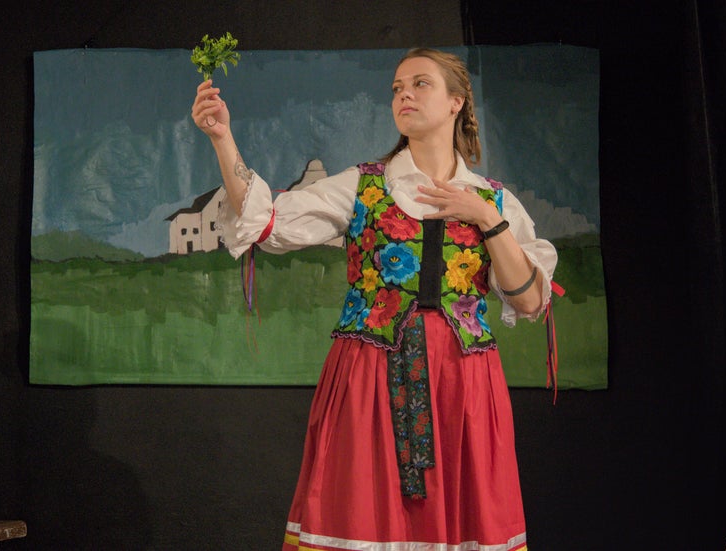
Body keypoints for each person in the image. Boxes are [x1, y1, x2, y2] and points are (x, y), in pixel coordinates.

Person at [192, 47, 557, 551]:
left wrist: (484, 218)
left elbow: (533, 300)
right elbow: (266, 222)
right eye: (396, 87)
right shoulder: (363, 185)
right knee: (361, 513)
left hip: (463, 382)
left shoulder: (493, 200)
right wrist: (222, 137)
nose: (404, 93)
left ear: (456, 102)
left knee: (463, 518)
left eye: (420, 84)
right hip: (371, 373)